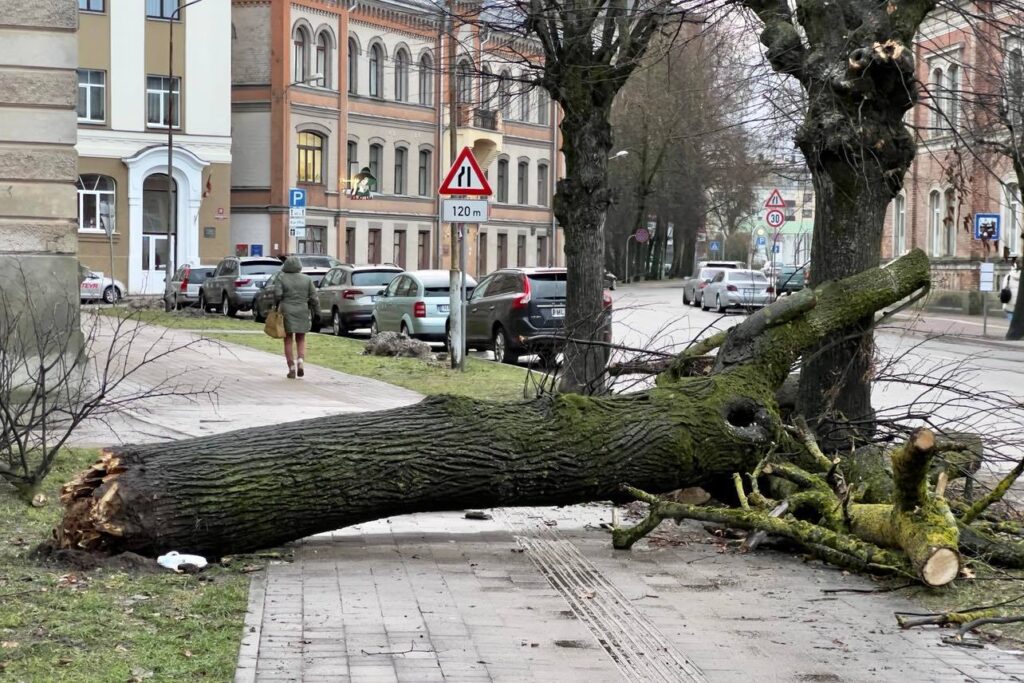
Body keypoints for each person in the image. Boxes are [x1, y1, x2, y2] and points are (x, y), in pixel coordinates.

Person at [273, 255, 317, 379]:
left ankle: (291, 366)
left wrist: (275, 306)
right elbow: (314, 298)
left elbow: (278, 295)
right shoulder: (307, 279)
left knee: (287, 339)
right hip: (302, 310)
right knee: (301, 338)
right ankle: (301, 362)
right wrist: (317, 312)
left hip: (286, 310)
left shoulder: (281, 278)